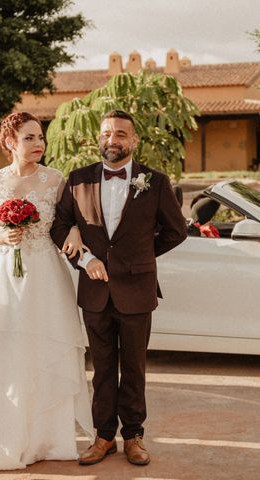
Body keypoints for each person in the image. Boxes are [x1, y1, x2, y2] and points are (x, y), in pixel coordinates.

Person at [0, 112, 94, 471]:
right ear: (9, 141)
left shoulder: (55, 180)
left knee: (43, 347)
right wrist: (0, 235)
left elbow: (68, 221)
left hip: (45, 276)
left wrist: (71, 232)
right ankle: (3, 438)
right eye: (29, 138)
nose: (38, 144)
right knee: (3, 351)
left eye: (40, 137)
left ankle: (48, 439)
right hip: (5, 274)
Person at [51, 110, 187, 466]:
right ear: (100, 137)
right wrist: (84, 258)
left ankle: (134, 437)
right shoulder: (78, 179)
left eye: (121, 134)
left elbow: (176, 231)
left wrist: (138, 257)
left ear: (134, 140)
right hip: (94, 292)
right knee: (102, 368)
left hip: (137, 290)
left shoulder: (154, 181)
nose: (113, 140)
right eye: (108, 133)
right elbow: (59, 226)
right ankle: (103, 437)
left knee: (134, 367)